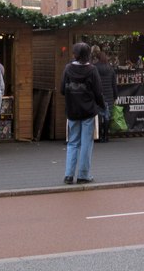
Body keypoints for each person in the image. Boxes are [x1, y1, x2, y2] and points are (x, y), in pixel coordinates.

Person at [61, 42, 104, 184]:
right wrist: (102, 106)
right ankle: (83, 174)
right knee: (86, 143)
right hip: (88, 110)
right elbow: (98, 92)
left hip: (72, 109)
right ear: (88, 54)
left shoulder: (68, 68)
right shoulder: (92, 70)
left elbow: (62, 89)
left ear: (75, 54)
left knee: (72, 142)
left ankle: (68, 174)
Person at [93, 50, 117, 143]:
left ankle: (99, 135)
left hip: (98, 94)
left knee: (99, 116)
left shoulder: (95, 68)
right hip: (109, 95)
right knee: (107, 116)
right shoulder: (110, 68)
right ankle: (106, 136)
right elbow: (114, 84)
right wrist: (115, 96)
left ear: (98, 58)